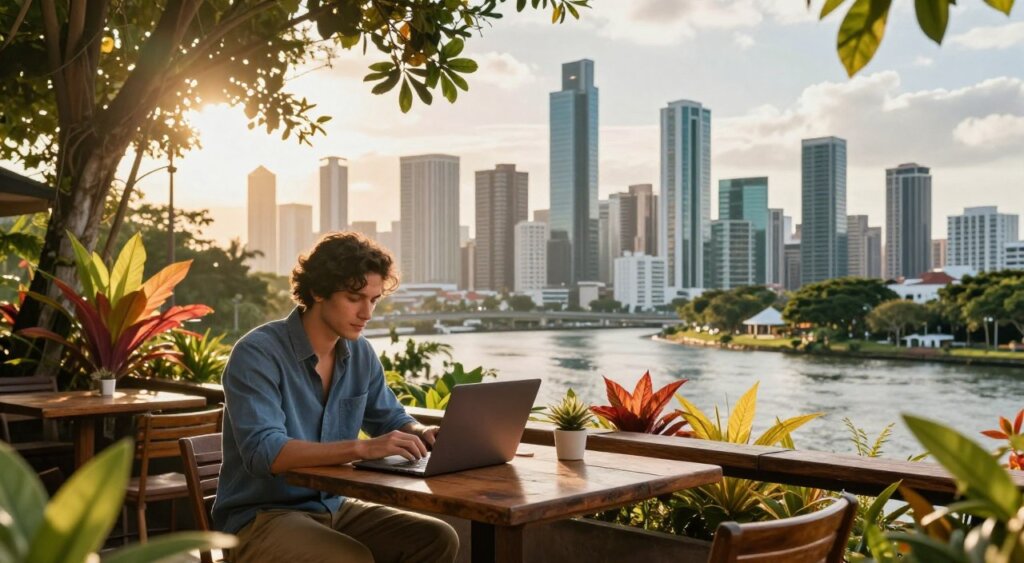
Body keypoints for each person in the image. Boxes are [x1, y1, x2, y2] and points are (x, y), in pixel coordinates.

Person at [212, 232, 459, 563]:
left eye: (374, 299)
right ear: (317, 291)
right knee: (350, 558)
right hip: (260, 517)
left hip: (333, 505)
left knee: (436, 538)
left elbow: (390, 417)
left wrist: (421, 433)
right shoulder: (257, 354)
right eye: (355, 297)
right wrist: (364, 447)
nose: (367, 313)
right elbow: (264, 452)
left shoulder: (360, 354)